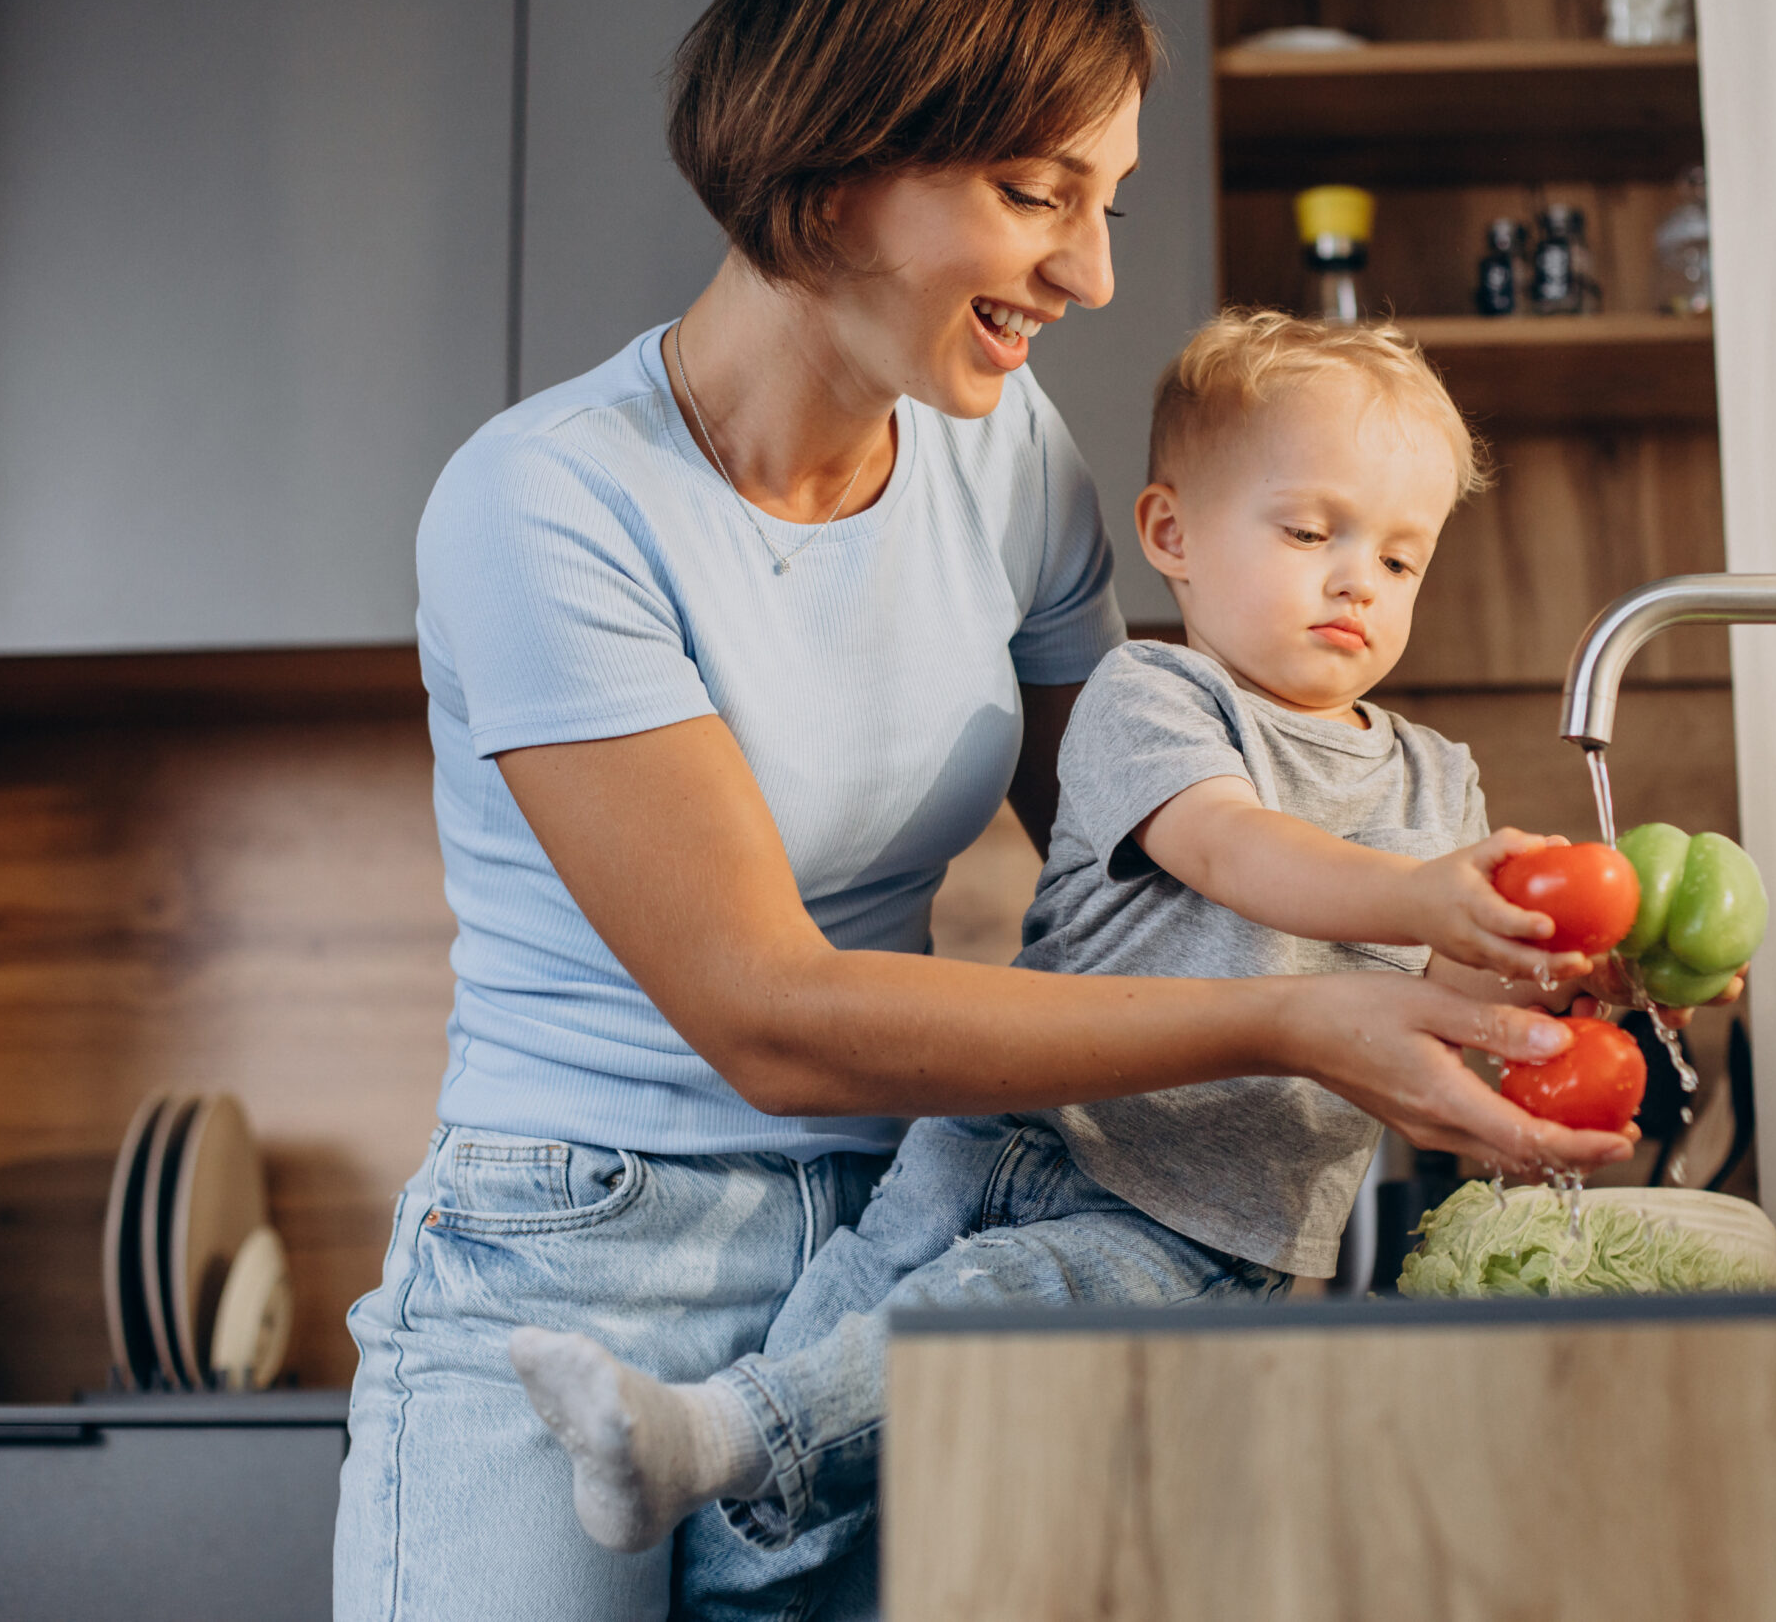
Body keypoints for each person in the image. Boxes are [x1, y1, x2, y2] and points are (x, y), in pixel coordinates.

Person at [332, 0, 1618, 1619]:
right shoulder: (548, 505)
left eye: (1110, 203)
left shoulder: (1003, 454)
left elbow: (1176, 847)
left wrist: (1505, 952)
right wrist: (1301, 1019)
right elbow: (769, 1014)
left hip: (924, 1243)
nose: (1090, 275)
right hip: (578, 1259)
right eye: (1036, 192)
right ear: (838, 162)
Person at [508, 311, 1697, 1583]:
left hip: (1200, 1225)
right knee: (838, 1347)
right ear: (1170, 535)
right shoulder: (1152, 698)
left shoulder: (1434, 779)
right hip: (998, 1138)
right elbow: (1232, 850)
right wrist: (1428, 894)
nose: (1358, 580)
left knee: (958, 1338)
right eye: (1311, 533)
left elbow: (1458, 987)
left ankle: (713, 1436)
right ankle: (728, 1537)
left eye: (1402, 561)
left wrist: (1575, 965)